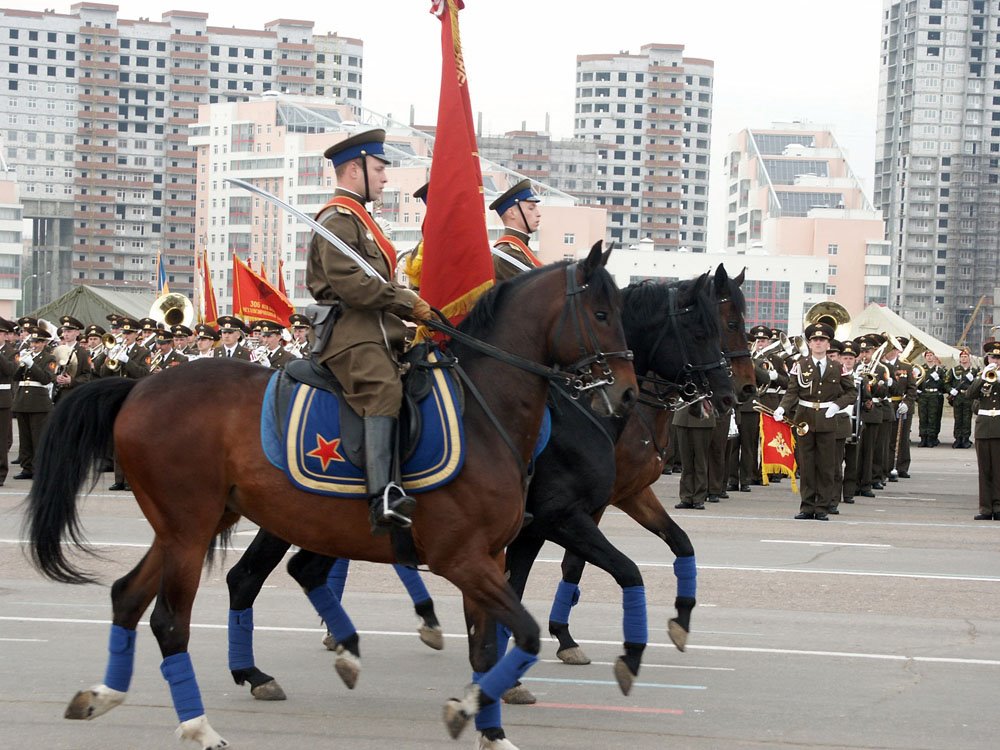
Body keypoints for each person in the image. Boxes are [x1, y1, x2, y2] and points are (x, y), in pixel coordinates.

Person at [307, 128, 431, 534]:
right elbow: (353, 286)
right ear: (353, 170)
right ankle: (384, 496)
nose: (383, 177)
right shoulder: (337, 221)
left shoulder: (360, 220)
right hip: (351, 333)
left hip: (378, 330)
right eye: (378, 169)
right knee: (383, 388)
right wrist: (406, 302)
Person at [773, 322, 857, 520]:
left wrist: (837, 405)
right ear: (810, 344)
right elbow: (792, 391)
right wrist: (782, 408)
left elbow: (851, 392)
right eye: (815, 340)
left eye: (823, 340)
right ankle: (807, 506)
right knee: (807, 464)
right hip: (804, 420)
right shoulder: (799, 365)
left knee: (826, 466)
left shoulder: (838, 367)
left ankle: (822, 507)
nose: (818, 343)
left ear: (828, 344)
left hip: (828, 419)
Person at [102, 317, 151, 491]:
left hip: (135, 396)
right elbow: (103, 373)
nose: (126, 336)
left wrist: (126, 360)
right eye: (124, 332)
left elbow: (144, 374)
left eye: (129, 333)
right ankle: (119, 479)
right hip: (119, 397)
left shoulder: (143, 352)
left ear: (137, 334)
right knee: (118, 439)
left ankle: (132, 480)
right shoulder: (117, 348)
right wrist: (109, 358)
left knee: (132, 440)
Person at [11, 326, 57, 480]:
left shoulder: (49, 358)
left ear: (44, 343)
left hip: (39, 402)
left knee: (38, 438)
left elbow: (46, 378)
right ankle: (27, 468)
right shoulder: (28, 355)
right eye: (33, 342)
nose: (34, 345)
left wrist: (32, 364)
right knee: (25, 439)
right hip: (22, 401)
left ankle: (40, 468)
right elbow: (16, 377)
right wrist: (22, 364)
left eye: (38, 342)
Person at [967, 340, 1000, 520]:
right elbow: (969, 395)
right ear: (987, 358)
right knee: (984, 470)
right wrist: (983, 377)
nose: (996, 361)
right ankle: (986, 508)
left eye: (999, 358)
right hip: (983, 427)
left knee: (998, 470)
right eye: (993, 357)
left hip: (999, 427)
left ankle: (998, 506)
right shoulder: (984, 375)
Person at [488, 178, 543, 282]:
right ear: (512, 213)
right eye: (531, 208)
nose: (538, 214)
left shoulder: (519, 250)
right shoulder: (507, 255)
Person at [882, 337, 917, 479]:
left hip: (901, 406)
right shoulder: (880, 366)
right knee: (887, 438)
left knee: (902, 438)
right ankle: (887, 466)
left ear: (897, 351)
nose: (888, 351)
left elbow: (912, 389)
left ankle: (902, 466)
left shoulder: (906, 367)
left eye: (892, 348)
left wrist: (907, 404)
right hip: (887, 404)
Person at [52, 315, 95, 403]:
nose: (66, 334)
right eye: (64, 331)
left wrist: (71, 380)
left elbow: (87, 376)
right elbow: (50, 371)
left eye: (69, 331)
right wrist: (56, 378)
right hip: (59, 395)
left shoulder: (83, 353)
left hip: (74, 394)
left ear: (77, 333)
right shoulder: (58, 351)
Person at [945, 347, 978, 449]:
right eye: (962, 357)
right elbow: (946, 383)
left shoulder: (974, 371)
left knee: (967, 419)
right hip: (958, 397)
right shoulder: (954, 370)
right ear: (959, 359)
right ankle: (958, 439)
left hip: (968, 397)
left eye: (966, 357)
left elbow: (978, 385)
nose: (964, 359)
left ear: (969, 358)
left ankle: (965, 439)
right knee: (958, 418)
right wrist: (951, 390)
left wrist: (973, 382)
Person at [0, 317, 18, 485]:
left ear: (5, 335)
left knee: (2, 439)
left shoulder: (11, 352)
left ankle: (0, 473)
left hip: (2, 399)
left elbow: (11, 370)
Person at [917, 350, 945, 447]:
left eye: (931, 355)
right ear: (925, 357)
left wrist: (938, 380)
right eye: (927, 355)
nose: (929, 357)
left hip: (934, 395)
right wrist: (918, 391)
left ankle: (931, 438)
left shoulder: (939, 370)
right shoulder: (921, 369)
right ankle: (923, 437)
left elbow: (944, 386)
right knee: (923, 417)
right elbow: (916, 381)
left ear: (934, 357)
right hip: (923, 395)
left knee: (933, 417)